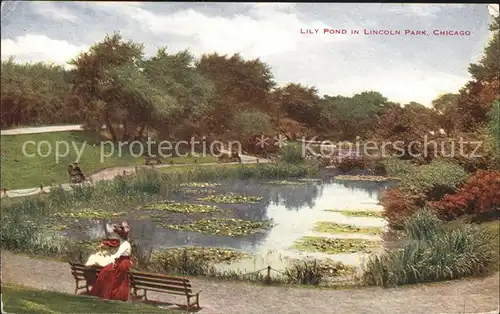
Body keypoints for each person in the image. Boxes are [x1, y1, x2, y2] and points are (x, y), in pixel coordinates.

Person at [90, 221, 132, 301]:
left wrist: (111, 259)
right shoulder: (124, 243)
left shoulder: (125, 244)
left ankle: (111, 293)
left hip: (122, 263)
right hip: (122, 261)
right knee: (108, 272)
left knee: (109, 273)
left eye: (119, 235)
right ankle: (109, 292)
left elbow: (117, 255)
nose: (118, 236)